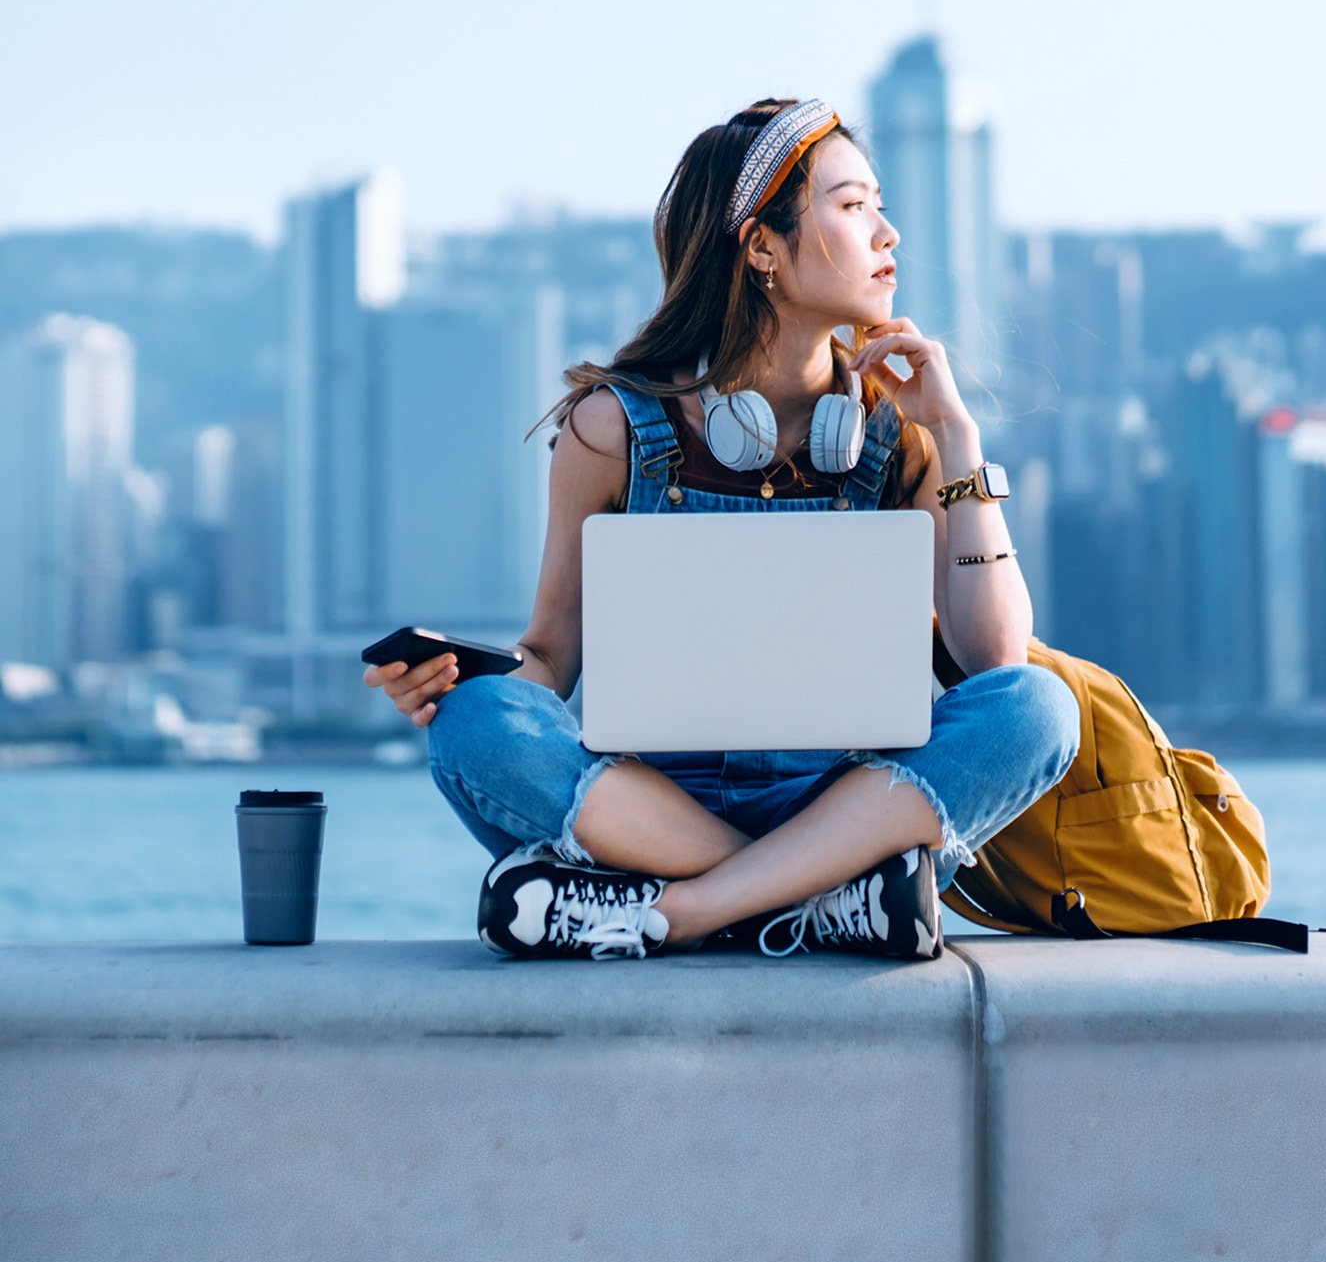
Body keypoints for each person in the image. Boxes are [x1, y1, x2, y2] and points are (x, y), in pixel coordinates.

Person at [365, 98, 1080, 961]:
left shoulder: (903, 433)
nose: (889, 234)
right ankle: (824, 904)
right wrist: (459, 674)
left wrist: (960, 439)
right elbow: (550, 660)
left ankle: (681, 914)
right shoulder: (615, 429)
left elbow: (995, 657)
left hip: (842, 800)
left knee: (1038, 706)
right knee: (472, 723)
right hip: (646, 806)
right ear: (763, 247)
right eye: (855, 207)